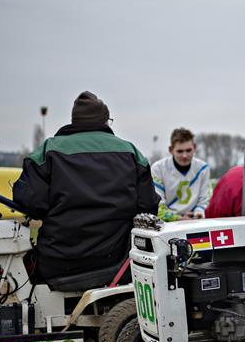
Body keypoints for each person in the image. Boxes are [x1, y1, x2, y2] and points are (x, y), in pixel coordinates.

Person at [12, 92, 159, 279]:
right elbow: (148, 208)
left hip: (57, 262)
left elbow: (30, 204)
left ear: (75, 121)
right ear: (105, 121)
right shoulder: (131, 153)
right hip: (117, 262)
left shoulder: (48, 151)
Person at [151, 128, 211, 221]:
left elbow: (204, 201)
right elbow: (158, 207)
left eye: (188, 150)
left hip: (195, 221)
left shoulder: (203, 168)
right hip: (168, 223)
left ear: (194, 147)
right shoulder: (158, 169)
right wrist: (178, 218)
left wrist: (198, 213)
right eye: (180, 151)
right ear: (171, 150)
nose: (185, 155)